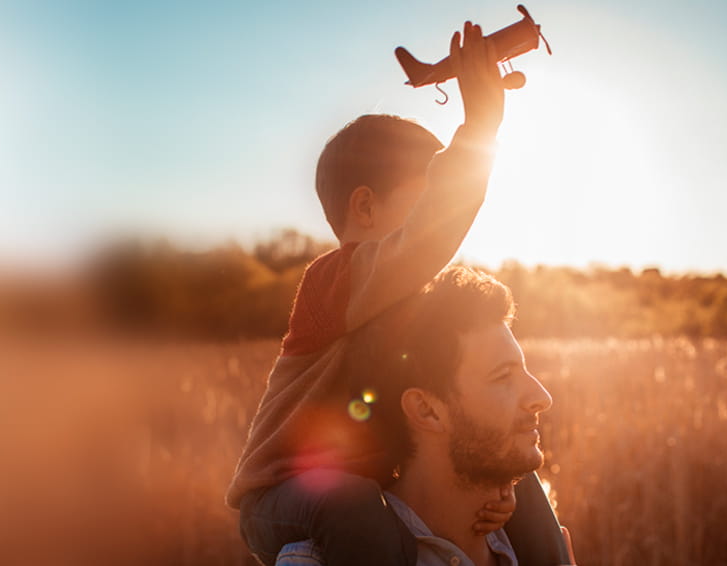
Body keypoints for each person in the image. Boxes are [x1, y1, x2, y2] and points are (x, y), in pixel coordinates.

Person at [227, 22, 563, 566]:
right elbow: (424, 242)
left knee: (516, 474)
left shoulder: (409, 306)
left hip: (363, 483)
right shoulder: (333, 283)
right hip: (283, 496)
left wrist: (494, 487)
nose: (435, 223)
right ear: (364, 208)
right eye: (425, 194)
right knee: (351, 504)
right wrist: (479, 128)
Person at [356, 266, 573, 566]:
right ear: (427, 410)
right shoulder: (319, 560)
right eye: (502, 377)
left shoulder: (538, 545)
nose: (542, 398)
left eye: (524, 371)